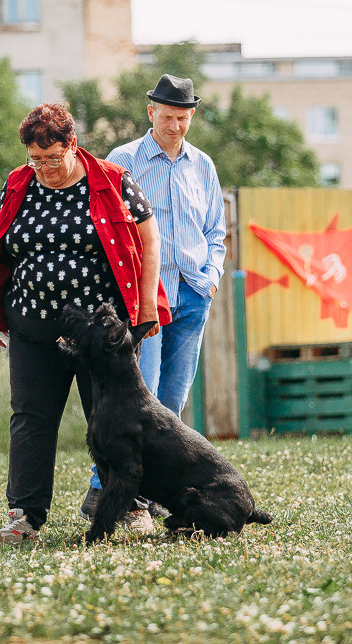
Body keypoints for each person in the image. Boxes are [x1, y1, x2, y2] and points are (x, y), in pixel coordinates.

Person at [0, 104, 171, 544]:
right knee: (30, 419)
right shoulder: (18, 183)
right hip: (32, 325)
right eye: (35, 159)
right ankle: (24, 516)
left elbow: (150, 239)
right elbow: (3, 245)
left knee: (115, 418)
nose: (44, 168)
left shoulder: (112, 179)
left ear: (72, 145)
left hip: (101, 332)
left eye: (52, 157)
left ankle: (132, 506)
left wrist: (146, 306)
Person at [80, 73, 226, 520]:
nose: (175, 126)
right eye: (168, 117)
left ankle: (157, 494)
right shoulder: (122, 161)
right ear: (150, 113)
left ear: (192, 116)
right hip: (145, 298)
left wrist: (211, 278)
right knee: (135, 402)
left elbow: (216, 230)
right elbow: (102, 227)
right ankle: (100, 492)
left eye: (183, 118)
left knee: (173, 401)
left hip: (193, 293)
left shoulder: (203, 165)